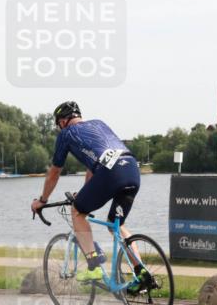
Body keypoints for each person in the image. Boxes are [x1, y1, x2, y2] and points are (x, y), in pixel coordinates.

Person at [30, 101, 142, 284]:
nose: (59, 128)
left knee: (77, 211)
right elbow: (95, 166)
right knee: (116, 224)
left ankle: (94, 266)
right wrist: (83, 194)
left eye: (58, 124)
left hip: (110, 172)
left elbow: (54, 173)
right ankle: (141, 272)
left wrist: (42, 200)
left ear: (64, 121)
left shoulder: (66, 135)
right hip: (131, 169)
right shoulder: (99, 123)